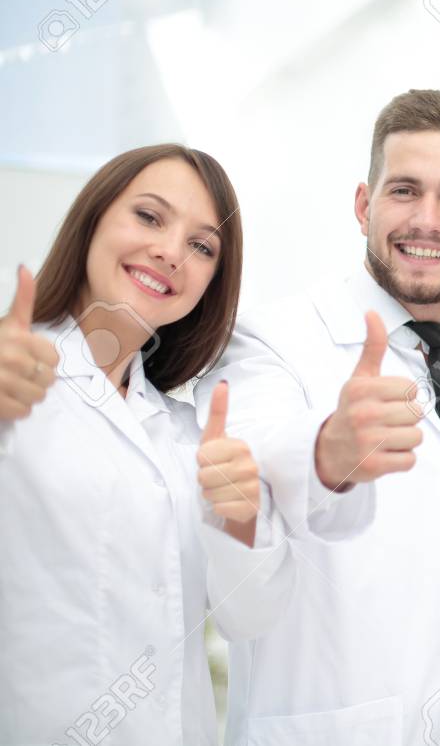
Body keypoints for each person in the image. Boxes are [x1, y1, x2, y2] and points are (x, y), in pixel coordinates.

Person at [193, 89, 440, 745]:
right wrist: (327, 454)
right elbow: (258, 464)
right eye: (404, 191)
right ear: (363, 205)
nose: (427, 220)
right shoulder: (268, 341)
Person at [0, 144, 290, 745]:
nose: (170, 253)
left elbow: (250, 617)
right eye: (150, 217)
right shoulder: (13, 377)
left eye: (202, 246)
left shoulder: (188, 435)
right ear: (93, 220)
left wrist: (240, 519)